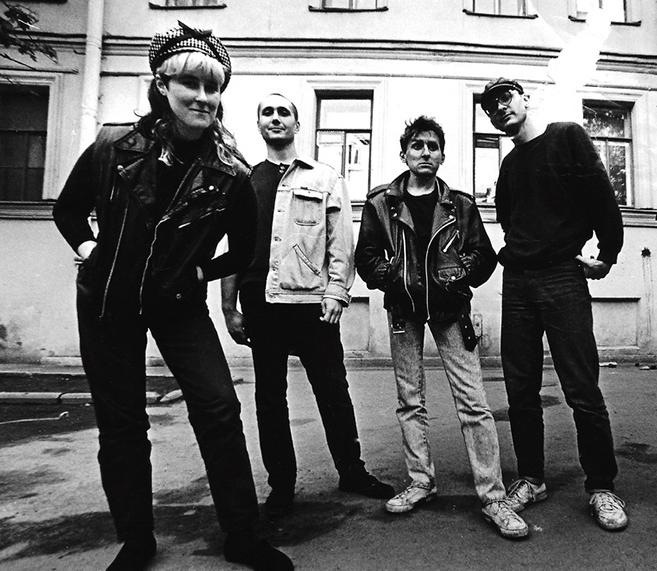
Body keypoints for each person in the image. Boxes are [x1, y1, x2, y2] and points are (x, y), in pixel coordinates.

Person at [52, 22, 293, 571]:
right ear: (162, 85)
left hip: (179, 306)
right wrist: (90, 251)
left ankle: (242, 534)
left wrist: (198, 272)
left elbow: (245, 251)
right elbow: (68, 211)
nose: (203, 98)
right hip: (107, 303)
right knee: (122, 424)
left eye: (214, 88)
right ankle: (136, 541)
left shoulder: (230, 173)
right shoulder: (112, 146)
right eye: (191, 83)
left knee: (218, 407)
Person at [220, 93, 394, 518]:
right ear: (259, 125)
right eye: (267, 112)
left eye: (284, 112)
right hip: (261, 302)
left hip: (312, 303)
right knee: (270, 396)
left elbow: (340, 242)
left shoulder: (325, 177)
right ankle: (281, 484)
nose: (275, 118)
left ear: (297, 125)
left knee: (333, 388)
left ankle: (352, 470)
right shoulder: (244, 180)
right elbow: (233, 248)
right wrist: (228, 307)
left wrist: (337, 292)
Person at [355, 116, 529, 540]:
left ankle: (493, 496)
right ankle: (421, 481)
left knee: (473, 403)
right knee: (409, 399)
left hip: (451, 311)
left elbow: (484, 256)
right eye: (417, 146)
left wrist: (458, 274)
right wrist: (394, 278)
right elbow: (366, 256)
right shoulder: (380, 204)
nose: (425, 153)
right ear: (404, 154)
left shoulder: (460, 206)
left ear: (442, 156)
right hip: (404, 310)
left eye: (433, 146)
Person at [482, 78, 628, 532]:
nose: (499, 108)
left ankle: (601, 486)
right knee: (520, 388)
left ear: (525, 99)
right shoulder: (509, 165)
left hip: (563, 277)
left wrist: (608, 254)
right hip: (518, 284)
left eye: (506, 97)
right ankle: (531, 478)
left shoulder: (566, 137)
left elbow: (602, 196)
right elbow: (508, 222)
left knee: (581, 387)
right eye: (490, 106)